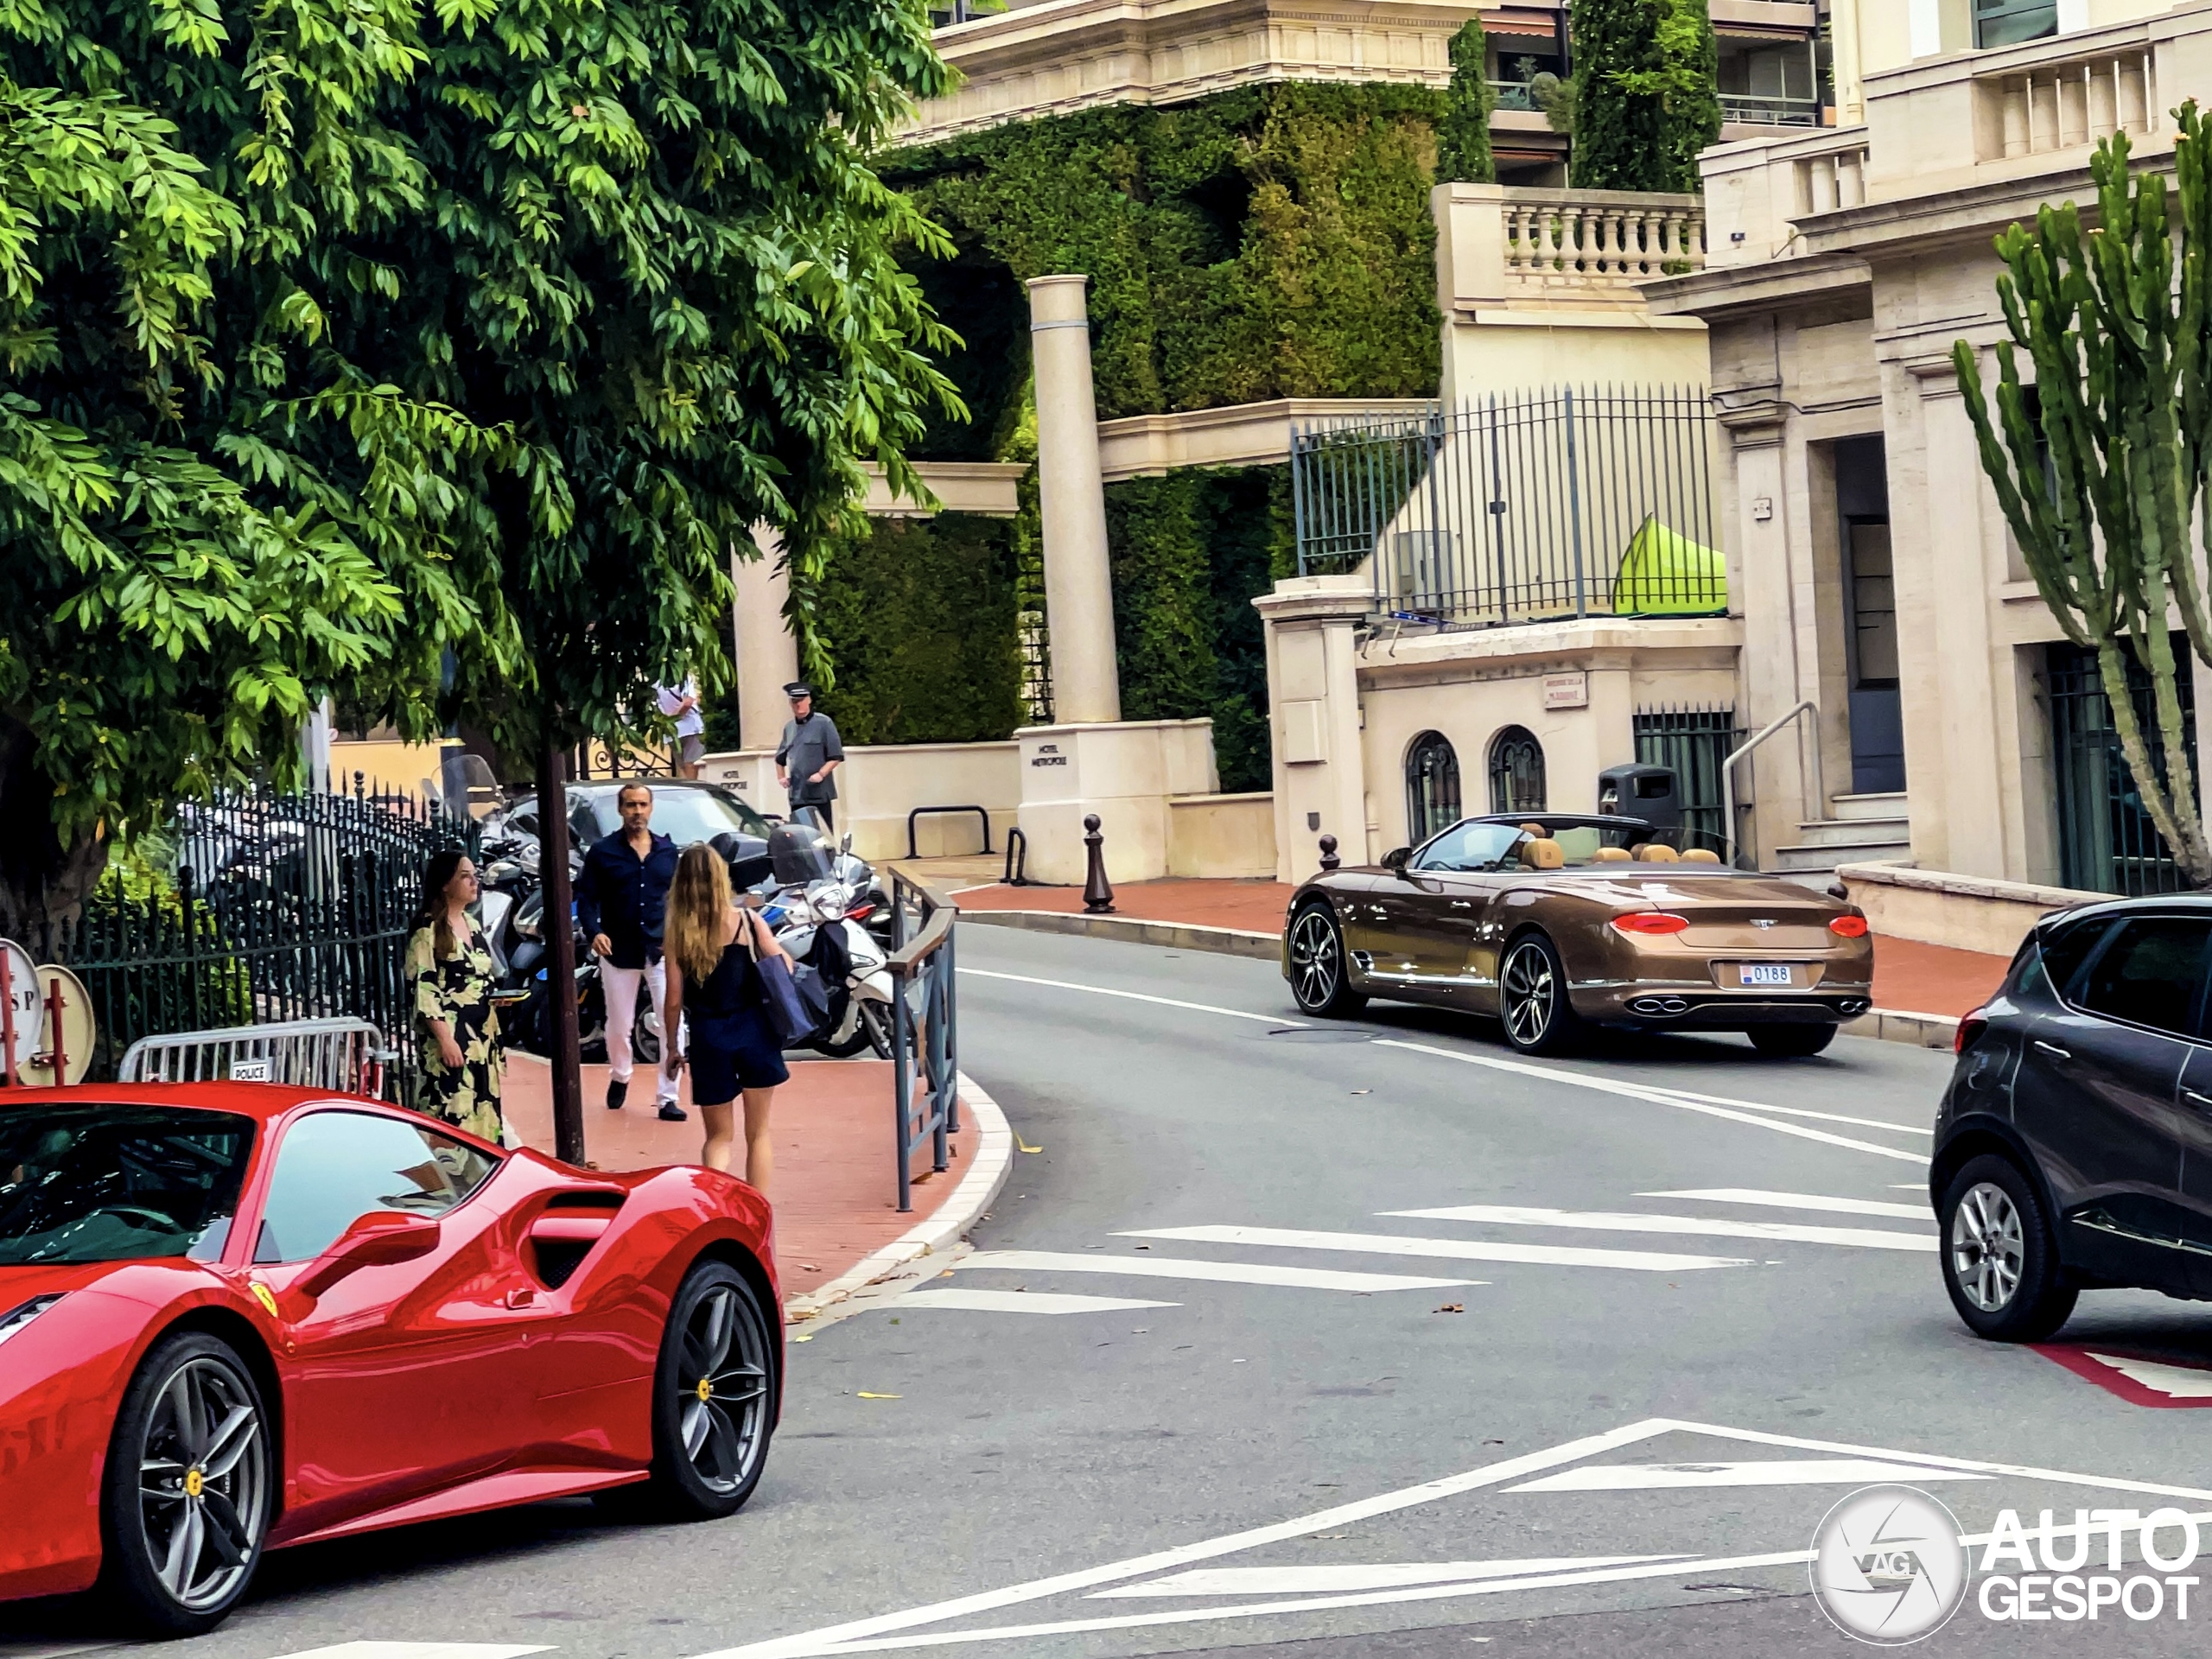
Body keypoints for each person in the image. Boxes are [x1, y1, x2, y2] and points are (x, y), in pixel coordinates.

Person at [661, 843, 789, 1188]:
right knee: (758, 1133)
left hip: (708, 1037)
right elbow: (784, 966)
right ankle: (758, 1212)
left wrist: (673, 1047)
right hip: (755, 1032)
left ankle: (717, 1210)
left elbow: (673, 1001)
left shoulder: (677, 934)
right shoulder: (747, 921)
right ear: (721, 878)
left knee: (718, 1138)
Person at [575, 781, 686, 1121]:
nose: (637, 811)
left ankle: (668, 1096)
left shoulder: (668, 852)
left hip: (661, 949)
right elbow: (587, 899)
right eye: (630, 805)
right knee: (619, 1024)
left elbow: (679, 900)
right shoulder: (603, 852)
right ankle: (621, 1074)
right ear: (621, 810)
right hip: (618, 950)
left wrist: (677, 933)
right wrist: (595, 932)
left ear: (651, 809)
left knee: (673, 1024)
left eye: (642, 805)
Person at [406, 849, 505, 1142]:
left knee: (483, 1111)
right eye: (465, 876)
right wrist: (446, 1040)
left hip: (482, 1038)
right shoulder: (428, 930)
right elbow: (423, 988)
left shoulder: (472, 927)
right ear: (445, 883)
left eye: (475, 875)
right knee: (450, 1110)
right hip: (451, 1037)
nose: (475, 882)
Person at [775, 680, 843, 831]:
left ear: (809, 700)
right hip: (797, 794)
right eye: (794, 701)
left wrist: (821, 773)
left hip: (818, 793)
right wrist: (781, 777)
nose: (798, 704)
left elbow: (836, 756)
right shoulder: (789, 728)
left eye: (802, 700)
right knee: (802, 837)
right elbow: (780, 757)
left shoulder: (824, 723)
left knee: (823, 835)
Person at [658, 676, 705, 779]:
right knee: (691, 764)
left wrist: (667, 720)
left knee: (683, 766)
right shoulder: (682, 678)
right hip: (690, 727)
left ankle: (688, 790)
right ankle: (693, 791)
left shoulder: (655, 682)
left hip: (671, 731)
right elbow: (688, 702)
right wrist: (674, 717)